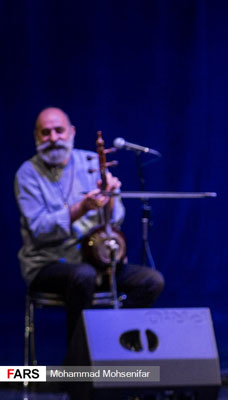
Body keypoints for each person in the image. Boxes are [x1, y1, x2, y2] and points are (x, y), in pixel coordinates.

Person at [15, 107, 164, 344]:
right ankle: (79, 361)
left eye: (59, 131)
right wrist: (82, 208)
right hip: (49, 264)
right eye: (46, 132)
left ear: (72, 132)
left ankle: (115, 346)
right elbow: (40, 230)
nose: (53, 138)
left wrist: (110, 198)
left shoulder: (92, 162)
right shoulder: (27, 174)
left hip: (97, 262)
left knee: (151, 281)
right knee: (83, 275)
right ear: (36, 136)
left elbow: (115, 221)